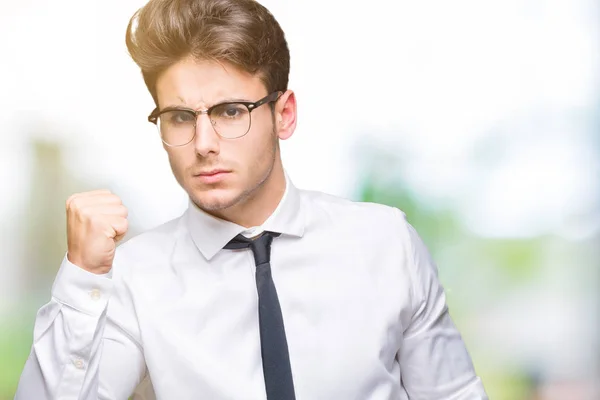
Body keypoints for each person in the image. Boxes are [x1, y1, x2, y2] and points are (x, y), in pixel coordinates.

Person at [15, 0, 488, 398]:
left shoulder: (386, 243)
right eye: (180, 117)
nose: (203, 143)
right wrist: (81, 277)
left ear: (284, 114)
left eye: (230, 111)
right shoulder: (132, 278)